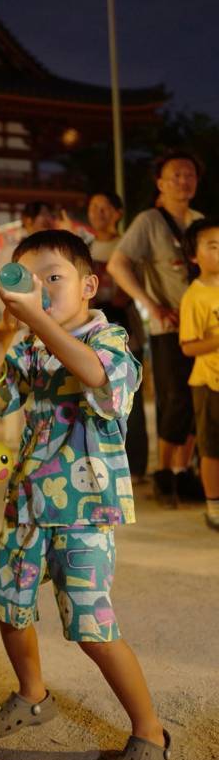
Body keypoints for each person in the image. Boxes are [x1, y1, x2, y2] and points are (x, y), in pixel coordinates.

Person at [0, 230, 171, 760]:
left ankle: (150, 732)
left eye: (52, 277)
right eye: (27, 280)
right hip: (28, 503)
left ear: (89, 285)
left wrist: (39, 323)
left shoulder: (109, 340)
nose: (40, 289)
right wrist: (7, 328)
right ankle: (33, 696)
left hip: (85, 511)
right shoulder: (30, 341)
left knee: (91, 626)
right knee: (9, 606)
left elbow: (98, 378)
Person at [107, 150, 204, 507]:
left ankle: (183, 472)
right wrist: (150, 305)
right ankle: (164, 473)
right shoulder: (149, 220)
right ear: (160, 183)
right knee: (175, 399)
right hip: (168, 327)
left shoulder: (199, 220)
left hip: (203, 325)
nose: (184, 180)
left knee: (199, 400)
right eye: (175, 175)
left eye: (190, 174)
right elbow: (118, 265)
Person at [88, 191, 148, 479]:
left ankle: (135, 465)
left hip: (126, 328)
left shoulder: (127, 247)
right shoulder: (84, 248)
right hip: (91, 330)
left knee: (128, 395)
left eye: (105, 208)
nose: (98, 212)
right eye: (93, 207)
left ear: (118, 213)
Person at [179, 219, 219, 530]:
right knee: (211, 448)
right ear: (194, 255)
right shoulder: (195, 296)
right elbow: (189, 347)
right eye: (213, 246)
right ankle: (213, 506)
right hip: (209, 382)